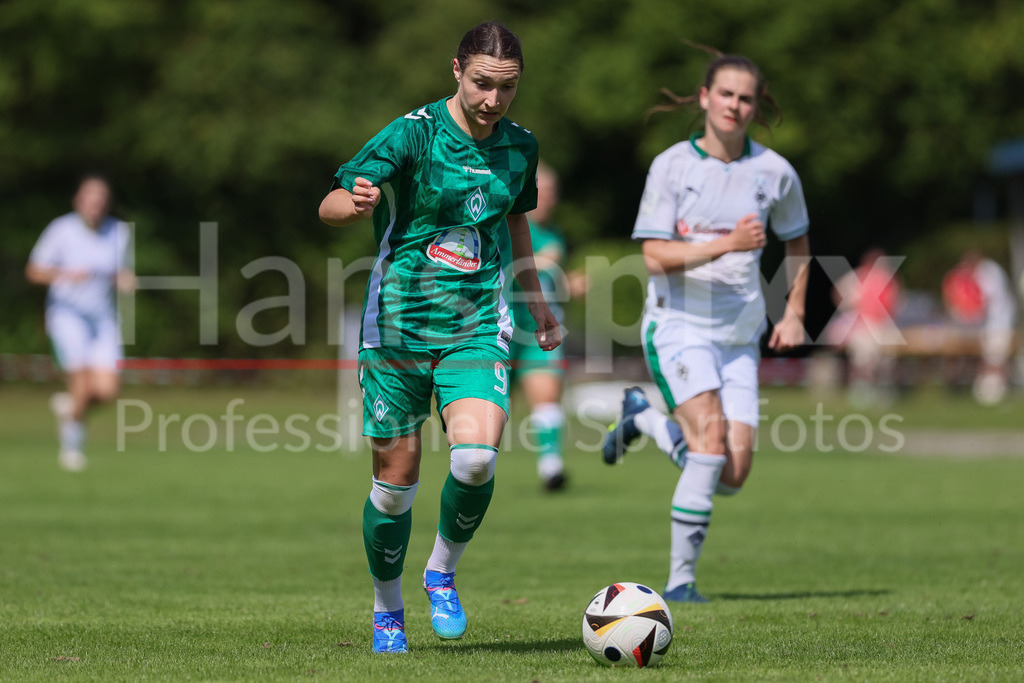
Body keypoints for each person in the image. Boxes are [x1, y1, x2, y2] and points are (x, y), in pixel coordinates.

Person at [318, 21, 560, 653]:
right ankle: (386, 609)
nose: (493, 100)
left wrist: (537, 305)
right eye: (482, 83)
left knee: (476, 459)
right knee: (394, 486)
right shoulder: (414, 133)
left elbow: (517, 223)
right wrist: (357, 201)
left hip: (477, 323)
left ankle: (442, 573)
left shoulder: (520, 147)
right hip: (396, 328)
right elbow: (331, 203)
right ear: (457, 70)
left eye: (506, 89)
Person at [602, 53, 811, 603]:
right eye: (726, 95)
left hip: (740, 336)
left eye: (746, 98)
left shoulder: (775, 172)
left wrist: (793, 311)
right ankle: (680, 584)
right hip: (678, 325)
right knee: (712, 443)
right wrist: (728, 243)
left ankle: (645, 418)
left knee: (731, 474)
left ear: (755, 106)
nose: (735, 106)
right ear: (704, 98)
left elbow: (798, 242)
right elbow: (653, 256)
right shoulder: (672, 166)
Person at [26, 174, 135, 472]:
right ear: (78, 201)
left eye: (100, 200)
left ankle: (69, 407)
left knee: (108, 390)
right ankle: (72, 449)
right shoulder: (61, 230)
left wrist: (124, 280)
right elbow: (34, 271)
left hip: (102, 320)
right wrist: (64, 274)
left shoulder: (119, 232)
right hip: (67, 316)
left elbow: (120, 271)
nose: (95, 205)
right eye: (90, 198)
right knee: (81, 383)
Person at [509, 161, 580, 491]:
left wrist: (569, 285)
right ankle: (476, 472)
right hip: (499, 329)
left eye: (553, 193)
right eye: (543, 191)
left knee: (547, 395)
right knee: (486, 414)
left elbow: (548, 281)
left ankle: (552, 469)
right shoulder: (505, 225)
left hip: (539, 333)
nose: (548, 199)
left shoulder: (555, 234)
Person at [825, 248, 903, 407]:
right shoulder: (858, 277)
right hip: (863, 325)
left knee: (886, 360)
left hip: (884, 325)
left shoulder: (889, 280)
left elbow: (897, 303)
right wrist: (851, 311)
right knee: (863, 358)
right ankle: (862, 390)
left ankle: (883, 390)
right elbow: (838, 294)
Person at [942, 250, 1017, 404]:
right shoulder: (985, 271)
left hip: (998, 319)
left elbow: (986, 300)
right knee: (989, 354)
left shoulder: (988, 272)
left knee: (995, 355)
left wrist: (968, 315)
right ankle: (991, 388)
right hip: (990, 320)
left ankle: (996, 389)